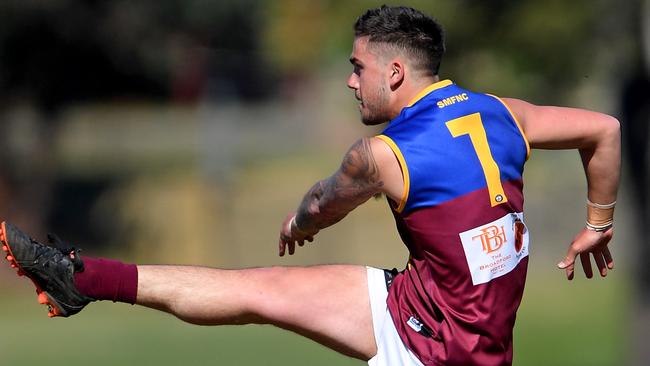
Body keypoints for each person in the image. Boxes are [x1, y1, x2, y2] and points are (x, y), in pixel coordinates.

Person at [1, 5, 620, 366]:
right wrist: (597, 223)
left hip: (440, 352)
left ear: (396, 71)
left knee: (257, 294)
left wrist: (301, 222)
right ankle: (81, 278)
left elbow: (325, 201)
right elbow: (605, 130)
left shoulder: (382, 155)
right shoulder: (502, 112)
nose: (351, 82)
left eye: (358, 68)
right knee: (259, 291)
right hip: (420, 306)